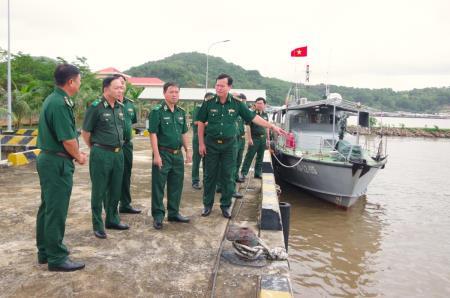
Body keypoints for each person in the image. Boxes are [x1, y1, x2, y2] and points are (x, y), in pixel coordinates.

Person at [197, 74, 286, 218]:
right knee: (209, 175)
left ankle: (225, 206)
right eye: (217, 85)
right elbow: (201, 123)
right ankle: (207, 205)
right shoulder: (208, 103)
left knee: (228, 176)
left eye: (222, 86)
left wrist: (272, 126)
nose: (218, 88)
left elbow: (253, 118)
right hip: (211, 144)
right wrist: (201, 143)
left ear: (229, 87)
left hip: (229, 145)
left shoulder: (237, 104)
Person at [36, 63, 87, 271]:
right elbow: (67, 139)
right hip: (57, 162)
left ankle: (45, 251)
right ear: (71, 82)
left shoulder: (54, 99)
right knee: (56, 209)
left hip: (50, 159)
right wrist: (79, 156)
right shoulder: (60, 103)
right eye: (79, 80)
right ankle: (57, 257)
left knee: (47, 207)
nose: (80, 83)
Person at [81, 76, 129, 239]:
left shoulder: (120, 107)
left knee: (116, 189)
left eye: (121, 88)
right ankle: (98, 225)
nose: (120, 90)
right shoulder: (96, 107)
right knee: (99, 190)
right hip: (101, 153)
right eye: (116, 88)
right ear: (106, 89)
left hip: (118, 153)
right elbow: (85, 133)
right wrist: (95, 148)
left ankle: (112, 219)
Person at [148, 82, 192, 230]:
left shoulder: (181, 112)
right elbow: (153, 134)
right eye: (171, 92)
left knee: (176, 185)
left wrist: (188, 150)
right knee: (158, 186)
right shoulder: (157, 111)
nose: (174, 94)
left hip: (177, 154)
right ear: (164, 93)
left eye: (177, 92)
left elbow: (184, 132)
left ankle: (173, 213)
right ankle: (158, 216)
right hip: (163, 153)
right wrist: (156, 155)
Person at [115, 75, 141, 214]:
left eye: (123, 83)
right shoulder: (106, 103)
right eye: (118, 83)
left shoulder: (130, 104)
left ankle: (125, 204)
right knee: (112, 177)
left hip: (126, 145)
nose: (121, 86)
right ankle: (111, 207)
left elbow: (132, 123)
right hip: (111, 147)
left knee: (126, 174)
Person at [240, 97, 270, 179]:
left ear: (264, 105)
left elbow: (267, 127)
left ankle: (257, 173)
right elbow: (248, 127)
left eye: (261, 103)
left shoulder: (265, 114)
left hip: (263, 138)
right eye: (258, 103)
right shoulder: (251, 114)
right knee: (249, 156)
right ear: (255, 104)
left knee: (260, 156)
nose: (259, 105)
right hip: (254, 138)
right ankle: (244, 173)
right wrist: (249, 139)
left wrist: (268, 139)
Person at [191, 92, 213, 189]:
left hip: (209, 137)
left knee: (207, 161)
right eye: (209, 99)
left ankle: (206, 180)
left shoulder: (212, 109)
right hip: (199, 137)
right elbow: (195, 122)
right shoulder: (199, 108)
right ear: (205, 99)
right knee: (196, 159)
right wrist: (206, 123)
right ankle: (195, 180)